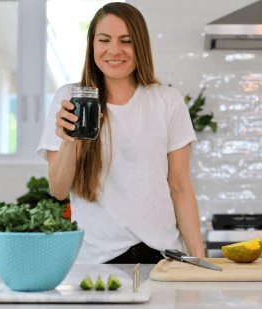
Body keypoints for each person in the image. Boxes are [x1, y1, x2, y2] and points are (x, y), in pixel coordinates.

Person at [37, 2, 204, 264]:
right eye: (104, 40)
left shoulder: (167, 101)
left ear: (141, 46)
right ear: (92, 45)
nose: (114, 50)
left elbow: (180, 187)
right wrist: (70, 140)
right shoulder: (72, 98)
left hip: (163, 258)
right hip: (97, 262)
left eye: (126, 41)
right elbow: (58, 190)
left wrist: (199, 262)